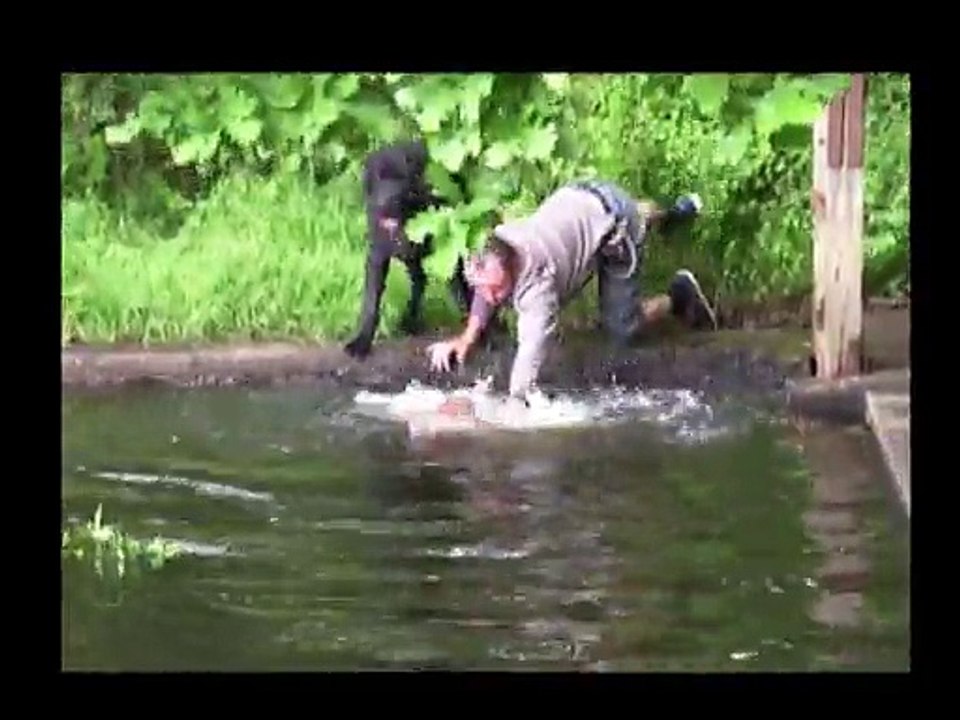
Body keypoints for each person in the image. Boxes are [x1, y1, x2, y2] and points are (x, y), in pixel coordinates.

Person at [426, 179, 719, 401]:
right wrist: (467, 338)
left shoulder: (538, 288)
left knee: (622, 328)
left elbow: (531, 351)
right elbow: (483, 284)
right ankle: (666, 214)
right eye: (484, 290)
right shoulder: (496, 241)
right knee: (627, 212)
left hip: (613, 225)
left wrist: (513, 404)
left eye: (497, 290)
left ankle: (680, 296)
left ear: (513, 266)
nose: (490, 299)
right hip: (579, 196)